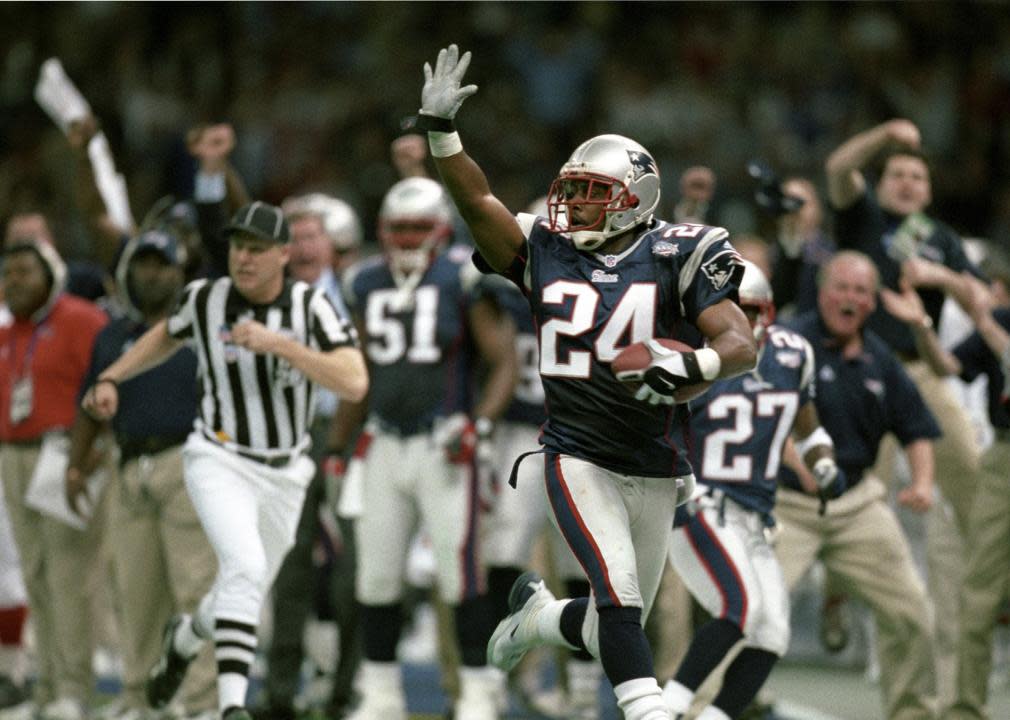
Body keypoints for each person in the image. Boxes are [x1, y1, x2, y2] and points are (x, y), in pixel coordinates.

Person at [413, 44, 756, 720]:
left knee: (614, 619)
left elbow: (740, 343)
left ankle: (540, 619)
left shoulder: (679, 252)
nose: (573, 207)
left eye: (592, 195)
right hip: (574, 452)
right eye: (570, 192)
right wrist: (441, 135)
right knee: (620, 598)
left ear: (636, 200)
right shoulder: (544, 249)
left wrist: (689, 364)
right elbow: (478, 200)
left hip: (656, 460)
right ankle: (647, 710)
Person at [82, 201, 369, 720]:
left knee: (245, 584)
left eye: (257, 249)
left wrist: (281, 346)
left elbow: (353, 380)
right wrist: (112, 377)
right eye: (238, 246)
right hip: (217, 456)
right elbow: (162, 336)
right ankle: (232, 707)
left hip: (286, 469)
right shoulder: (205, 298)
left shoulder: (310, 308)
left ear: (283, 255)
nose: (245, 258)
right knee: (244, 566)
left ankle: (188, 636)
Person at [331, 176, 517, 720]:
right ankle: (381, 693)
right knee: (377, 576)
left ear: (441, 229)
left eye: (418, 228)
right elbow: (357, 372)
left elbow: (504, 360)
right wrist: (337, 445)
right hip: (384, 442)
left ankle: (480, 691)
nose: (408, 239)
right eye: (399, 229)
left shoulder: (462, 278)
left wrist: (478, 424)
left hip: (444, 443)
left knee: (461, 578)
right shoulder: (364, 281)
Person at [825, 118, 984, 704]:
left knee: (978, 483)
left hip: (920, 373)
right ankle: (840, 586)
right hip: (861, 374)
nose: (909, 183)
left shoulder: (939, 237)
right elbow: (841, 168)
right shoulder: (861, 217)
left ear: (930, 190)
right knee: (861, 515)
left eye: (918, 176)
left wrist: (937, 274)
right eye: (898, 173)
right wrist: (885, 133)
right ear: (882, 179)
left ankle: (986, 582)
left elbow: (982, 299)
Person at [661, 260, 844, 720]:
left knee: (772, 634)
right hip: (701, 499)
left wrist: (823, 466)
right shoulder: (691, 354)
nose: (741, 324)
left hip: (755, 515)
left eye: (751, 311)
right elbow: (658, 432)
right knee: (738, 607)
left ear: (771, 312)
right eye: (731, 310)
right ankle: (662, 712)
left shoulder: (793, 354)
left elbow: (809, 431)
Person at [774, 250, 940, 720]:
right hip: (788, 504)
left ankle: (914, 713)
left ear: (873, 302)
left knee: (912, 613)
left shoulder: (880, 358)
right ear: (822, 292)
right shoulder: (787, 342)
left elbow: (917, 429)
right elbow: (767, 414)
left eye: (861, 291)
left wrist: (923, 483)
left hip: (857, 505)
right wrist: (800, 460)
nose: (850, 298)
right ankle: (712, 708)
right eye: (842, 287)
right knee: (746, 615)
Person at [65, 228, 218, 720]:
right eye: (143, 264)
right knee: (134, 592)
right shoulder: (113, 334)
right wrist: (75, 464)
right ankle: (141, 698)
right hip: (128, 466)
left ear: (181, 272)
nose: (150, 274)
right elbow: (91, 402)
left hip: (188, 463)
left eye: (162, 264)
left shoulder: (203, 329)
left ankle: (200, 702)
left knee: (194, 589)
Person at [878, 249, 1010, 720]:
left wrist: (981, 315)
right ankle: (965, 709)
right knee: (977, 591)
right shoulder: (996, 321)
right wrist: (922, 328)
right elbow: (946, 368)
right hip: (1003, 457)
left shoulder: (994, 324)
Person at [255, 193, 364, 720]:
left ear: (331, 244)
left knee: (354, 573)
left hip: (345, 434)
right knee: (288, 568)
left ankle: (347, 687)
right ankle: (280, 693)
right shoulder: (268, 301)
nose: (302, 245)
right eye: (293, 237)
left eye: (311, 235)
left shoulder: (354, 290)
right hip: (286, 435)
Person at [0, 237, 109, 720]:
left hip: (64, 451)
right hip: (15, 456)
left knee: (69, 579)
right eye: (8, 272)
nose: (14, 281)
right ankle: (46, 688)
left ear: (52, 274)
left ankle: (74, 690)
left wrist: (92, 456)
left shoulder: (82, 320)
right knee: (36, 578)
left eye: (25, 270)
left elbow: (112, 381)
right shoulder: (8, 334)